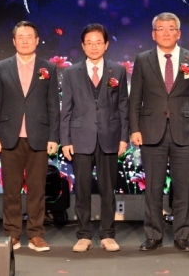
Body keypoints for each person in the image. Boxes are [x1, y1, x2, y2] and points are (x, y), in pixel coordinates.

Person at [129, 12, 189, 252]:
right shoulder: (143, 59)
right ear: (153, 34)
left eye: (170, 28)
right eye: (160, 28)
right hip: (151, 130)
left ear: (178, 33)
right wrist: (134, 129)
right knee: (153, 187)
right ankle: (153, 235)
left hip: (185, 130)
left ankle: (182, 235)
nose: (165, 32)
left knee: (183, 186)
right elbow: (135, 98)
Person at [0, 21, 59, 252]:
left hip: (39, 136)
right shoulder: (2, 67)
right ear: (14, 41)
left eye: (30, 36)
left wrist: (53, 137)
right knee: (11, 189)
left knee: (37, 189)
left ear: (37, 40)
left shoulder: (48, 68)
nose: (25, 40)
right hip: (9, 136)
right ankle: (12, 234)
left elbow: (53, 106)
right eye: (21, 37)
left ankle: (36, 234)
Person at [60, 24, 129, 252]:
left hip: (110, 136)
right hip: (80, 137)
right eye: (89, 43)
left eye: (98, 42)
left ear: (106, 45)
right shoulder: (71, 73)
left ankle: (108, 235)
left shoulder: (117, 70)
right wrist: (65, 140)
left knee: (108, 189)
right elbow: (66, 108)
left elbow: (123, 106)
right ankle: (84, 235)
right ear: (83, 46)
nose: (94, 47)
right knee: (82, 190)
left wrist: (123, 137)